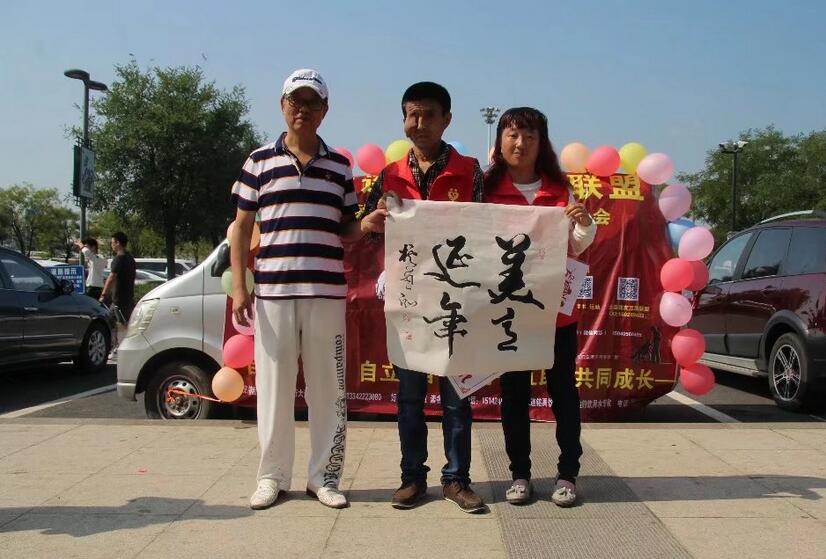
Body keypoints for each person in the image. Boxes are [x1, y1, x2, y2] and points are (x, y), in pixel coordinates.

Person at [229, 69, 386, 511]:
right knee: (274, 390)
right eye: (295, 101)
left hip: (326, 295)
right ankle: (272, 477)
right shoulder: (258, 161)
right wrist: (240, 286)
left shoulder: (339, 166)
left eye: (312, 102)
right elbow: (241, 228)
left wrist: (367, 224)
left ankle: (325, 477)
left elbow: (346, 228)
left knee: (328, 391)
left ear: (325, 110)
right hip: (273, 294)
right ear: (282, 106)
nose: (303, 109)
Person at [360, 82, 487, 513]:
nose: (420, 123)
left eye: (429, 114)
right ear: (403, 120)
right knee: (410, 397)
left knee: (457, 398)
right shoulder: (389, 175)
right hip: (409, 302)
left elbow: (487, 230)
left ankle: (456, 480)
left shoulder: (470, 171)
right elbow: (366, 226)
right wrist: (372, 223)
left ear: (447, 119)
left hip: (454, 301)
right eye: (412, 114)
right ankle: (412, 478)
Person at [483, 107, 596, 507]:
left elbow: (578, 243)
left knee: (563, 393)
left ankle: (568, 474)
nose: (520, 144)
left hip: (555, 316)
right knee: (513, 394)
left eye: (530, 136)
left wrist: (583, 222)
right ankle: (520, 474)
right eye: (512, 135)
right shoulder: (485, 189)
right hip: (508, 313)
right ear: (499, 142)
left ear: (541, 144)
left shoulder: (560, 190)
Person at [100, 232, 136, 325]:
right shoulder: (130, 258)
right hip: (128, 298)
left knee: (121, 325)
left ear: (117, 243)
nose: (111, 245)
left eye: (112, 242)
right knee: (110, 322)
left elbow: (111, 277)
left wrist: (103, 295)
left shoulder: (118, 259)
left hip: (119, 300)